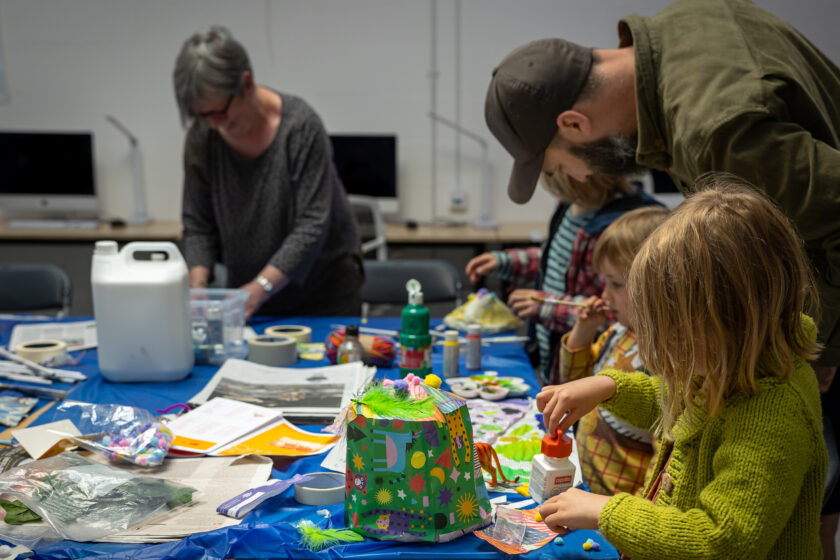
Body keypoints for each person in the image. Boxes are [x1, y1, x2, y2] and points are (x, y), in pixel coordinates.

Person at [537, 175, 827, 559]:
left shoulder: (773, 415)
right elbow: (676, 404)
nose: (669, 354)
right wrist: (609, 386)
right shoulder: (735, 364)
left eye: (675, 336)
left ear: (729, 318)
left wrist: (608, 510)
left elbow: (720, 540)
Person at [173, 26, 363, 318]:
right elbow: (198, 225)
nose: (213, 124)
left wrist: (260, 287)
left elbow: (312, 224)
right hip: (252, 298)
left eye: (219, 113)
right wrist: (198, 290)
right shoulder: (203, 137)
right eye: (202, 115)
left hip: (324, 295)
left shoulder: (299, 127)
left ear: (246, 83)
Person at [465, 172, 660, 386]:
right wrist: (509, 262)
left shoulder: (617, 224)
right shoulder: (568, 207)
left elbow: (621, 310)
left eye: (551, 169)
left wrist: (550, 306)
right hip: (554, 363)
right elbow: (557, 259)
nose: (604, 295)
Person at [557, 205, 668, 497]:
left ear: (656, 285)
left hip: (616, 505)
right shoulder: (618, 332)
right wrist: (584, 331)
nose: (604, 295)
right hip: (584, 482)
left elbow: (664, 461)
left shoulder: (665, 358)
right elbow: (574, 383)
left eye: (615, 283)